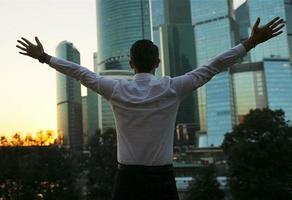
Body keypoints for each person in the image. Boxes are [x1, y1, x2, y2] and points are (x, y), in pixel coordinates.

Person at [16, 17, 285, 200]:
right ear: (157, 62)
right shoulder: (172, 88)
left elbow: (80, 73)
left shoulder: (116, 89)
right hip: (162, 182)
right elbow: (213, 66)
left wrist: (44, 57)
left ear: (131, 64)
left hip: (127, 182)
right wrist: (250, 42)